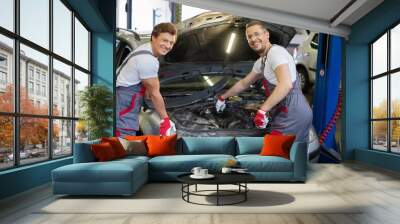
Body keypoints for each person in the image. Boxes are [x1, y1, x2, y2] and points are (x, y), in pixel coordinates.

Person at [215, 21, 312, 142]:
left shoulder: (275, 53)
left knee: (276, 157)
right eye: (249, 36)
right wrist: (223, 97)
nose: (253, 39)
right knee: (292, 155)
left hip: (293, 113)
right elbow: (244, 83)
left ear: (266, 34)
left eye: (257, 34)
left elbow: (285, 84)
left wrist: (262, 110)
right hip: (286, 111)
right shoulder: (262, 61)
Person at [116, 23, 177, 137]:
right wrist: (165, 120)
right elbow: (154, 93)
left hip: (126, 98)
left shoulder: (147, 51)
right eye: (164, 40)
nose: (168, 45)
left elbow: (149, 90)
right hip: (124, 101)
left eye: (171, 43)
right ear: (154, 37)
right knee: (124, 140)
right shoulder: (147, 59)